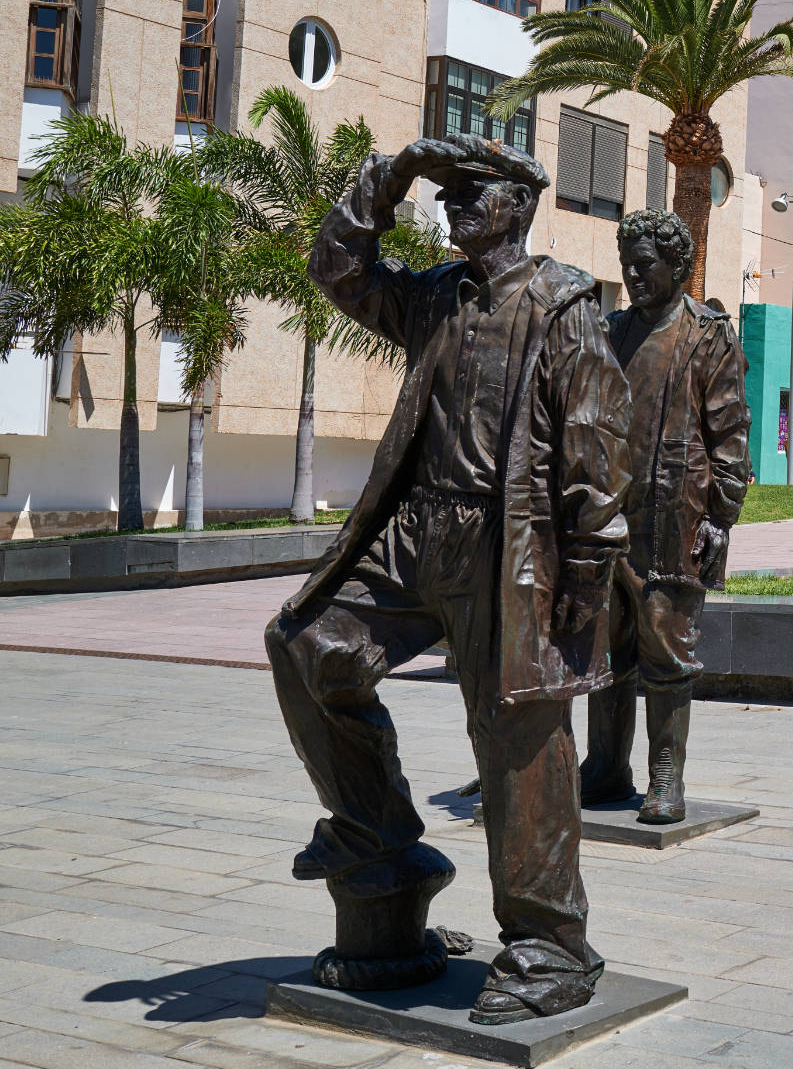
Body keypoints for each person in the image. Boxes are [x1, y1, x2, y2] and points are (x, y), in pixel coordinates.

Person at [264, 135, 632, 1024]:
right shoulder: (437, 296)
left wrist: (587, 562)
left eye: (474, 190)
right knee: (308, 644)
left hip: (513, 545)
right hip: (417, 531)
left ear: (519, 203)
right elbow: (338, 269)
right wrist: (386, 181)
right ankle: (384, 858)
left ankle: (549, 940)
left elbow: (598, 439)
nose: (455, 203)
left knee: (516, 734)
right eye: (449, 189)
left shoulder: (560, 305)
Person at [580, 210, 751, 824]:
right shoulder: (612, 330)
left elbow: (729, 430)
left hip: (676, 515)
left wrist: (722, 516)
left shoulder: (706, 335)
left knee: (666, 645)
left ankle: (665, 776)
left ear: (677, 266)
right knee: (605, 645)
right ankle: (605, 767)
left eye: (644, 263)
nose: (631, 275)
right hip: (609, 514)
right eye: (626, 263)